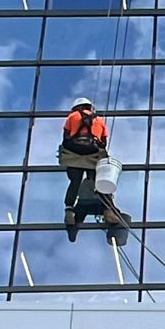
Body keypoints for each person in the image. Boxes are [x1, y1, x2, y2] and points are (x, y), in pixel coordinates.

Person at [58, 99, 127, 246]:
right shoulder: (99, 120)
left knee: (75, 182)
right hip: (92, 155)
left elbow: (66, 137)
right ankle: (108, 210)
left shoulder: (71, 117)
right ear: (90, 107)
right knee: (99, 183)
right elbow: (103, 141)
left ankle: (69, 211)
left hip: (73, 156)